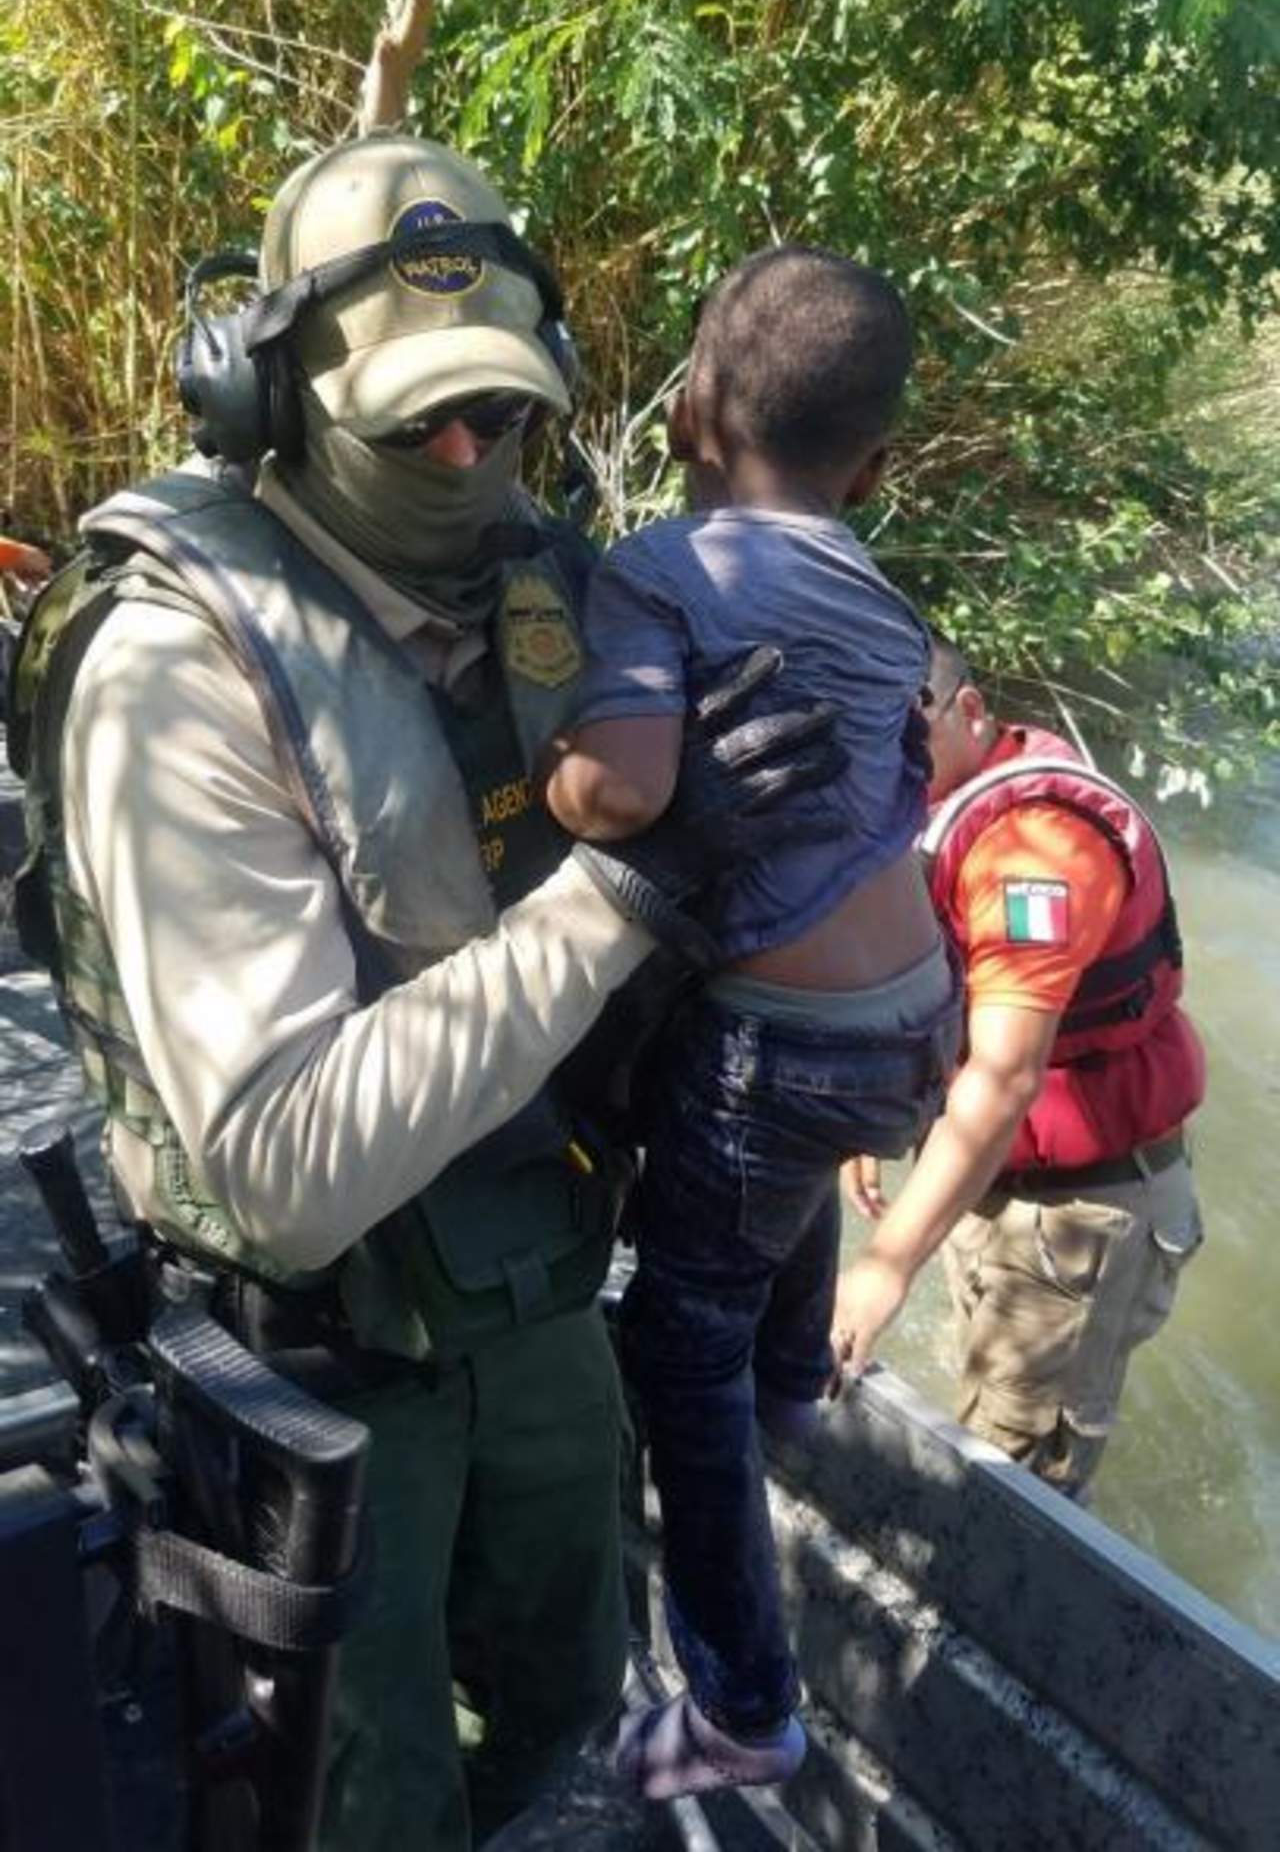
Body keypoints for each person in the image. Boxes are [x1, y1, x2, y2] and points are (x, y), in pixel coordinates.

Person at [7, 135, 846, 1852]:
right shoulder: (173, 667)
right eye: (416, 424)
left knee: (572, 1729)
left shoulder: (562, 592)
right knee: (365, 1802)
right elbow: (284, 1165)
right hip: (318, 1366)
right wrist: (630, 889)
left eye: (500, 412)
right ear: (265, 399)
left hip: (543, 1298)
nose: (468, 457)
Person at [544, 247, 962, 1799]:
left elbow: (626, 788)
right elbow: (916, 747)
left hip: (784, 1044)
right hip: (919, 1021)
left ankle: (741, 1700)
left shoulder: (664, 566)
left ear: (690, 410)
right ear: (876, 467)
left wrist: (557, 768)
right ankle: (794, 1376)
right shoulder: (884, 590)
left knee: (675, 1338)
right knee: (773, 1187)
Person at [833, 634, 1207, 1500]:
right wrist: (871, 1124)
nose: (885, 765)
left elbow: (1005, 1075)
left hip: (1079, 1213)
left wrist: (886, 1263)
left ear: (969, 710)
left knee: (1009, 1477)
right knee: (973, 1407)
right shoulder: (939, 802)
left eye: (904, 736)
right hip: (994, 1172)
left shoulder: (1035, 852)